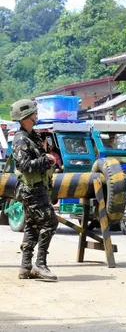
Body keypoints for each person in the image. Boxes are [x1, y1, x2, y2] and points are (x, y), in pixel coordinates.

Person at [10, 99, 58, 281]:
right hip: (31, 190)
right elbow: (24, 165)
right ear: (26, 117)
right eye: (34, 113)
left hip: (38, 187)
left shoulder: (33, 136)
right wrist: (46, 159)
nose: (37, 115)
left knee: (31, 226)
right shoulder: (21, 139)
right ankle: (40, 264)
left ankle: (25, 267)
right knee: (50, 222)